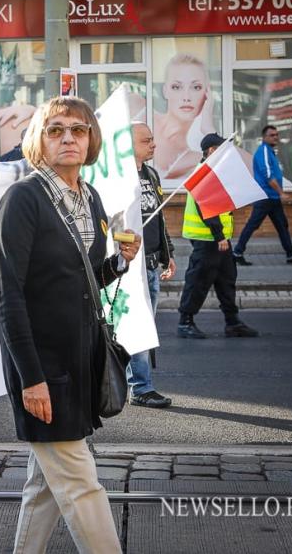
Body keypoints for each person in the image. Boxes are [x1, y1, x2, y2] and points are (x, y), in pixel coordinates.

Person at [0, 96, 140, 554]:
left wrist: (117, 263)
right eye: (55, 130)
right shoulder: (24, 198)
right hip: (44, 367)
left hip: (81, 360)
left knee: (45, 488)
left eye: (78, 130)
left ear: (91, 139)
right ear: (39, 140)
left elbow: (81, 280)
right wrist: (30, 378)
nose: (68, 139)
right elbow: (8, 293)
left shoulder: (89, 195)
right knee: (81, 484)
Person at [178, 133, 259, 339]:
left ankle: (232, 322)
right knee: (198, 280)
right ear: (212, 151)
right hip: (209, 239)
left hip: (218, 239)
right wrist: (219, 235)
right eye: (223, 149)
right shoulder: (204, 173)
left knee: (226, 279)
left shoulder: (214, 172)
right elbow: (206, 207)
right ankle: (185, 322)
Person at [126, 123, 173, 408]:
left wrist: (168, 254)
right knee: (137, 328)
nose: (153, 144)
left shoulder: (151, 174)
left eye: (153, 139)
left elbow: (159, 218)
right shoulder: (119, 177)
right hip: (133, 266)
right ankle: (141, 387)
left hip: (153, 264)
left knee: (142, 328)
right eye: (147, 140)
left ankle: (129, 383)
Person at [232, 125, 292, 266]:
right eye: (272, 135)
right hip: (265, 197)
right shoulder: (264, 152)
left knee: (282, 225)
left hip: (272, 198)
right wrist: (281, 193)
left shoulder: (270, 152)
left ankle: (291, 255)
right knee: (253, 225)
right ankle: (237, 252)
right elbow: (268, 175)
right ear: (264, 137)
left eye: (276, 134)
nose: (276, 137)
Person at [153, 53, 216, 180]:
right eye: (176, 87)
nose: (186, 97)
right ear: (165, 91)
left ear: (207, 93)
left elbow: (238, 168)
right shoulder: (139, 109)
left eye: (196, 87)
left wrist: (208, 127)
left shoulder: (194, 158)